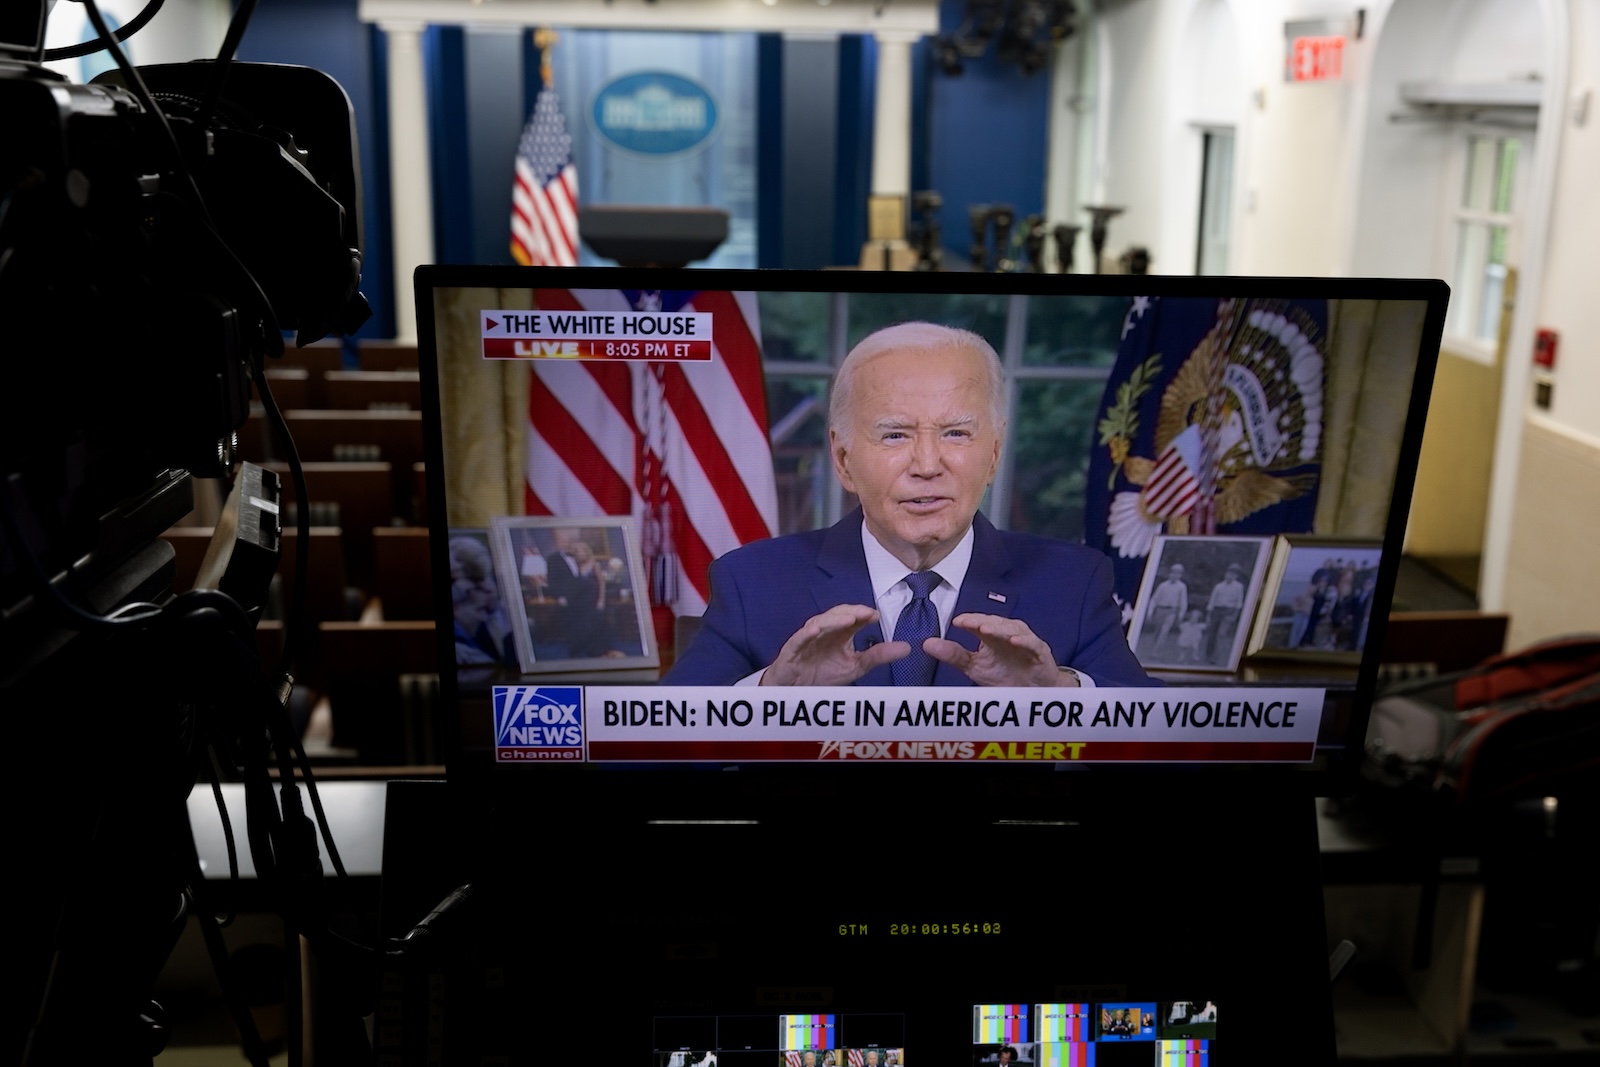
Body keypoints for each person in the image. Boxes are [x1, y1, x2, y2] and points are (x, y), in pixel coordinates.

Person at [664, 322, 1150, 688]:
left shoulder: (1074, 584)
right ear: (843, 458)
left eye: (956, 433)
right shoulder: (752, 583)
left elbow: (1172, 757)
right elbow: (643, 757)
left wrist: (1064, 699)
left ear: (994, 454)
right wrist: (768, 697)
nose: (927, 464)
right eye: (895, 434)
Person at [544, 528, 616, 658]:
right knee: (576, 626)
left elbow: (599, 582)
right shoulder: (553, 559)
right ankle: (577, 652)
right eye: (563, 541)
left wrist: (599, 601)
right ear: (557, 542)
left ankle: (598, 651)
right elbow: (553, 581)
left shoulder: (585, 560)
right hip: (571, 599)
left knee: (596, 622)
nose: (566, 543)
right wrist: (560, 597)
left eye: (568, 540)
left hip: (588, 598)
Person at [1203, 562, 1245, 662]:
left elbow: (1239, 603)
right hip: (1217, 611)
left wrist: (1234, 615)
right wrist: (1209, 616)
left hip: (1228, 612)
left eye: (1233, 574)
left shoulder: (1239, 587)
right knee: (1212, 634)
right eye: (1229, 573)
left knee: (1221, 634)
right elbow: (1212, 602)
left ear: (1236, 576)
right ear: (1226, 574)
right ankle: (1208, 655)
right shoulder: (1219, 586)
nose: (1230, 576)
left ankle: (1215, 657)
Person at [1145, 563, 1189, 653]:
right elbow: (1155, 599)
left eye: (1178, 573)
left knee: (1164, 631)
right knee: (1157, 631)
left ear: (1180, 575)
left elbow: (1183, 602)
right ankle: (1152, 647)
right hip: (1160, 610)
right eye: (1173, 573)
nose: (1175, 575)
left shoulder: (1182, 587)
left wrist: (1181, 615)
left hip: (1172, 611)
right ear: (1170, 573)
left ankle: (1156, 651)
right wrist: (1150, 611)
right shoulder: (1163, 585)